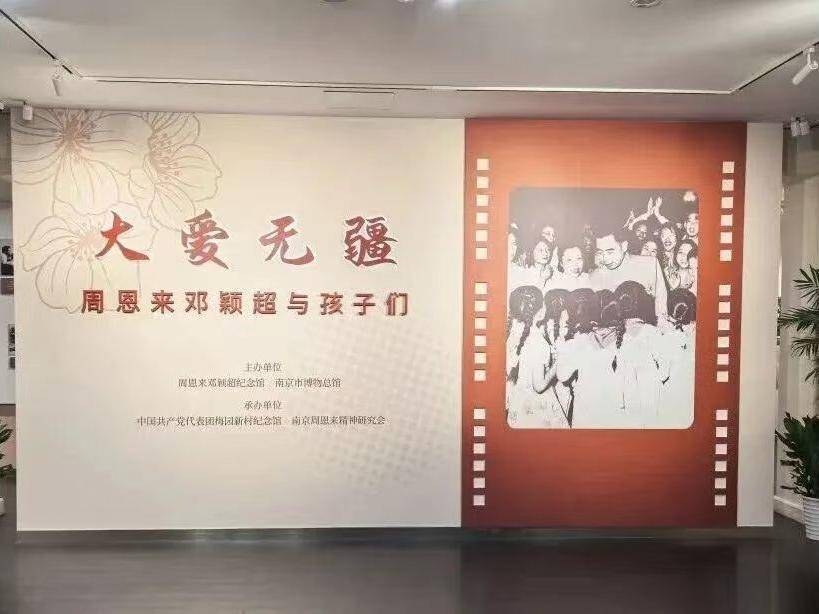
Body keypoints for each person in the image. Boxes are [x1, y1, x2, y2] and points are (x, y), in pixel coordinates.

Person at [506, 286, 568, 428]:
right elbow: (539, 386)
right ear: (539, 311)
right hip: (537, 406)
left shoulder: (516, 336)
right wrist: (558, 362)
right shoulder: (538, 341)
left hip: (519, 401)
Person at [589, 228, 668, 317]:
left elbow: (661, 310)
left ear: (624, 246)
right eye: (600, 252)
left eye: (610, 252)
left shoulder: (650, 265)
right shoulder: (595, 276)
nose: (605, 259)